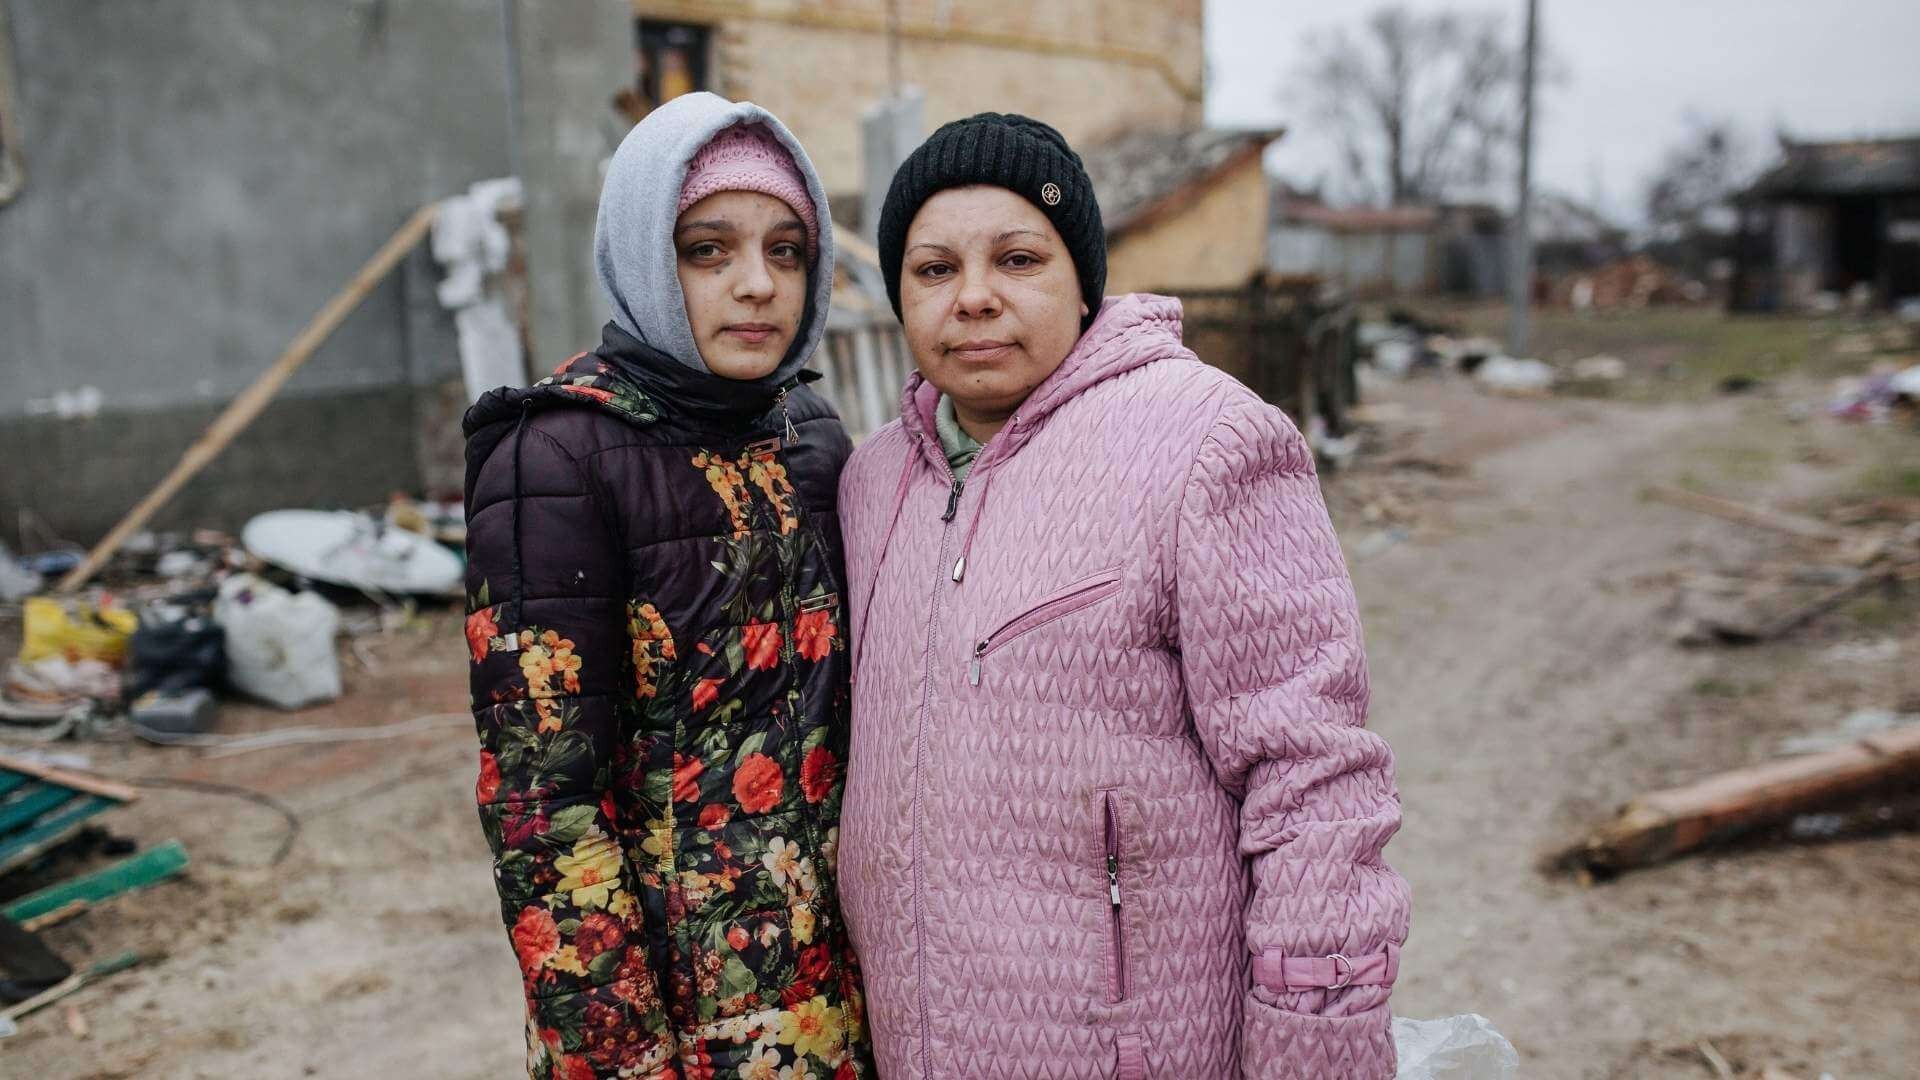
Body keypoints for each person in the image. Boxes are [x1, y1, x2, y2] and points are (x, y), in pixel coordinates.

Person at [836, 113, 1410, 1078]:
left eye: (1017, 259)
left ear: (1082, 277)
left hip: (1136, 1051)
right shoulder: (871, 480)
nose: (973, 298)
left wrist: (1317, 1051)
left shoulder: (1203, 444)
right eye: (934, 270)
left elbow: (1314, 784)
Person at [462, 92, 871, 1080]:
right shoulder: (553, 453)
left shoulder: (810, 435)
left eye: (785, 251)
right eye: (707, 249)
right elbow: (543, 806)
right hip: (684, 1024)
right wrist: (618, 1057)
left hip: (843, 998)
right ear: (645, 251)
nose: (757, 285)